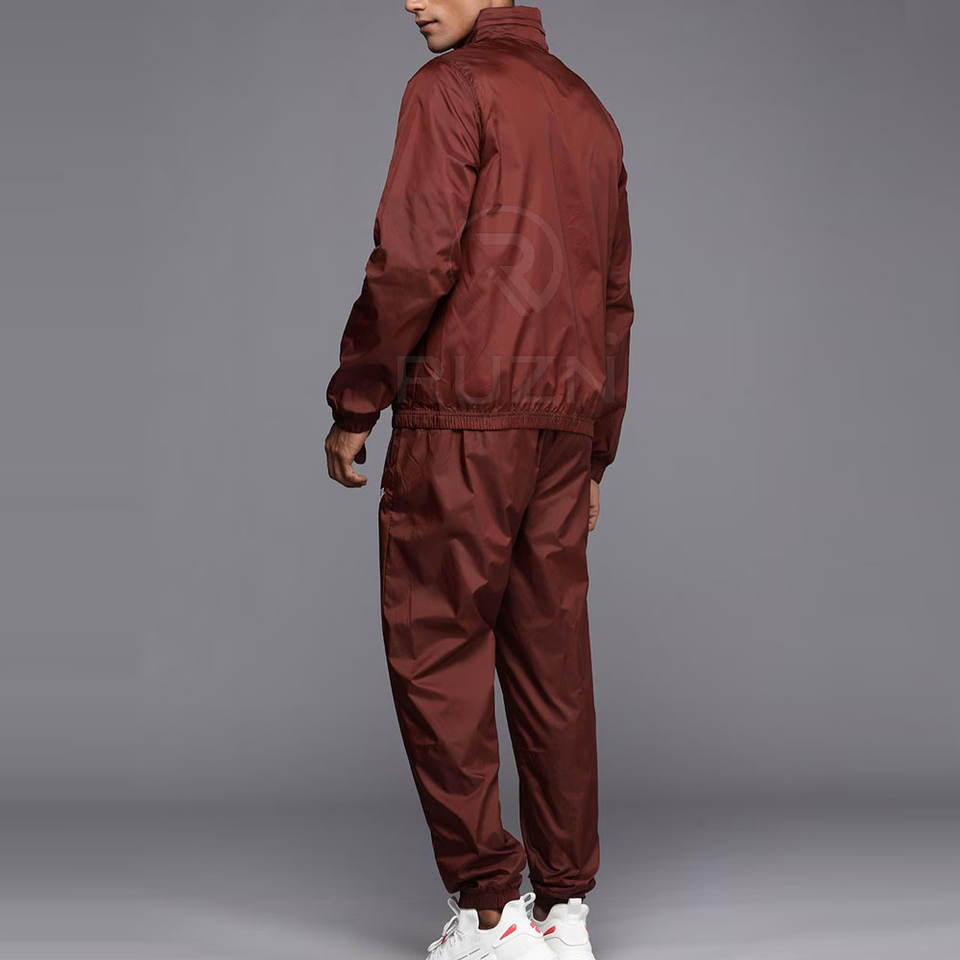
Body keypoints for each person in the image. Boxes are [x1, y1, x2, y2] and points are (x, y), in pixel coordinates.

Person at [325, 3, 633, 957]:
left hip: (464, 414)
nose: (411, 0)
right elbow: (613, 297)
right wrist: (595, 448)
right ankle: (564, 912)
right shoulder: (590, 112)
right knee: (553, 662)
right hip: (561, 423)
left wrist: (356, 399)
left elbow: (412, 259)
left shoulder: (450, 88)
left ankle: (494, 914)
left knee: (438, 650)